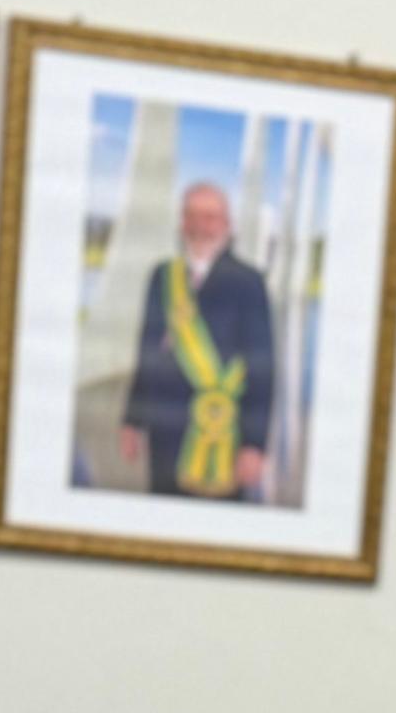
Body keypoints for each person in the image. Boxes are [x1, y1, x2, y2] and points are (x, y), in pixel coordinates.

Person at [116, 181, 277, 499]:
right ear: (181, 222)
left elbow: (263, 366)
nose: (199, 226)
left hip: (223, 432)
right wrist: (132, 421)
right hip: (164, 430)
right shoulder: (161, 276)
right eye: (191, 216)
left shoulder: (249, 281)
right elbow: (146, 351)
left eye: (210, 217)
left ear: (227, 225)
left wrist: (254, 445)